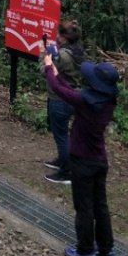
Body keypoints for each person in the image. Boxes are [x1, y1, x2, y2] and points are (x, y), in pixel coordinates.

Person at [43, 53, 121, 256]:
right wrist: (57, 73)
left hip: (82, 161)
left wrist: (49, 68)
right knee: (100, 206)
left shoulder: (86, 101)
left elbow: (60, 91)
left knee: (84, 206)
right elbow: (70, 91)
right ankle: (107, 249)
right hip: (99, 160)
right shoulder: (106, 102)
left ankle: (86, 250)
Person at [41, 20, 85, 185]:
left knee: (61, 136)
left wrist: (44, 53)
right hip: (70, 95)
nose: (57, 37)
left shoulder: (64, 56)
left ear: (65, 38)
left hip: (60, 98)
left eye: (59, 35)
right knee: (63, 133)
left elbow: (45, 70)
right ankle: (62, 160)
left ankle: (66, 173)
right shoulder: (78, 51)